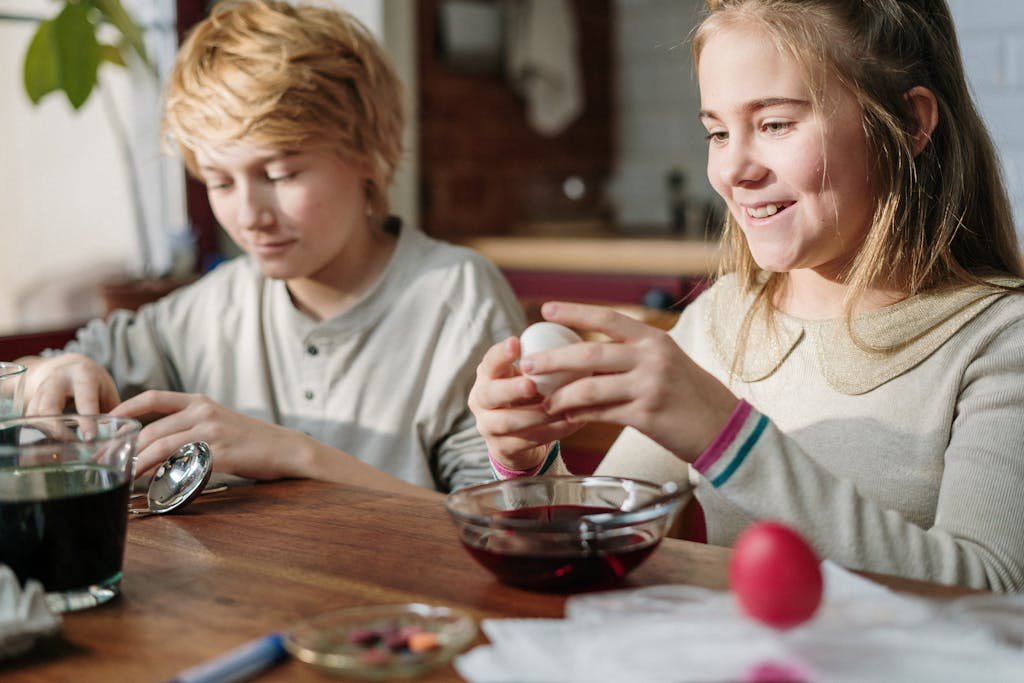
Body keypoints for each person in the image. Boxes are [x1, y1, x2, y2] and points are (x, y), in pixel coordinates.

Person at [468, 0, 1024, 591]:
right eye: (716, 132)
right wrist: (526, 464)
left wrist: (725, 437)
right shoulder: (722, 322)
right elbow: (603, 536)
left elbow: (990, 595)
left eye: (775, 123)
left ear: (910, 123)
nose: (732, 169)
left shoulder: (999, 340)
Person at [19, 0, 525, 496]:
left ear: (366, 154)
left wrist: (296, 455)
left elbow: (493, 523)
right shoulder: (213, 308)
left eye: (280, 174)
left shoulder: (458, 298)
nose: (249, 216)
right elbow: (36, 378)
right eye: (219, 182)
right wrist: (47, 373)